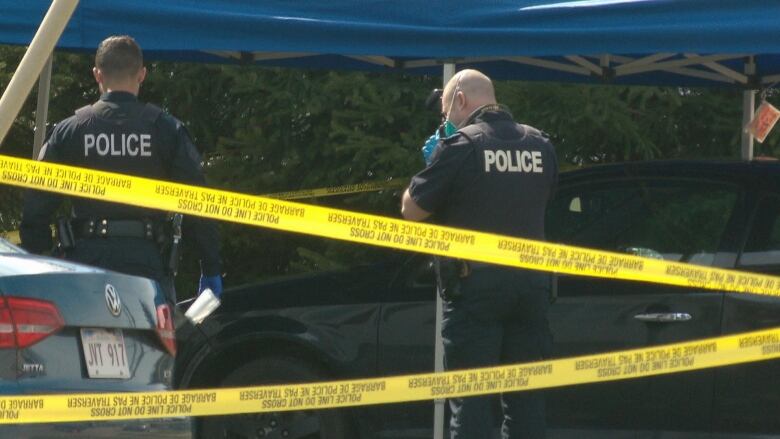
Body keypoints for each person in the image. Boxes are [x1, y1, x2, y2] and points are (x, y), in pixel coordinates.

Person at [401, 69, 558, 439]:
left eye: (445, 114)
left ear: (460, 100)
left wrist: (434, 159)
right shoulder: (541, 145)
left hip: (476, 289)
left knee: (470, 399)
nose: (446, 122)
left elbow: (412, 210)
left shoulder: (461, 146)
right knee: (526, 400)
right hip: (532, 288)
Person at [20, 35, 222, 303]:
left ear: (97, 75)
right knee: (151, 344)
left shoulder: (70, 131)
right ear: (141, 75)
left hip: (85, 263)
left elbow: (36, 206)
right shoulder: (165, 129)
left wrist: (42, 260)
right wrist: (210, 268)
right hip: (147, 265)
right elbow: (198, 203)